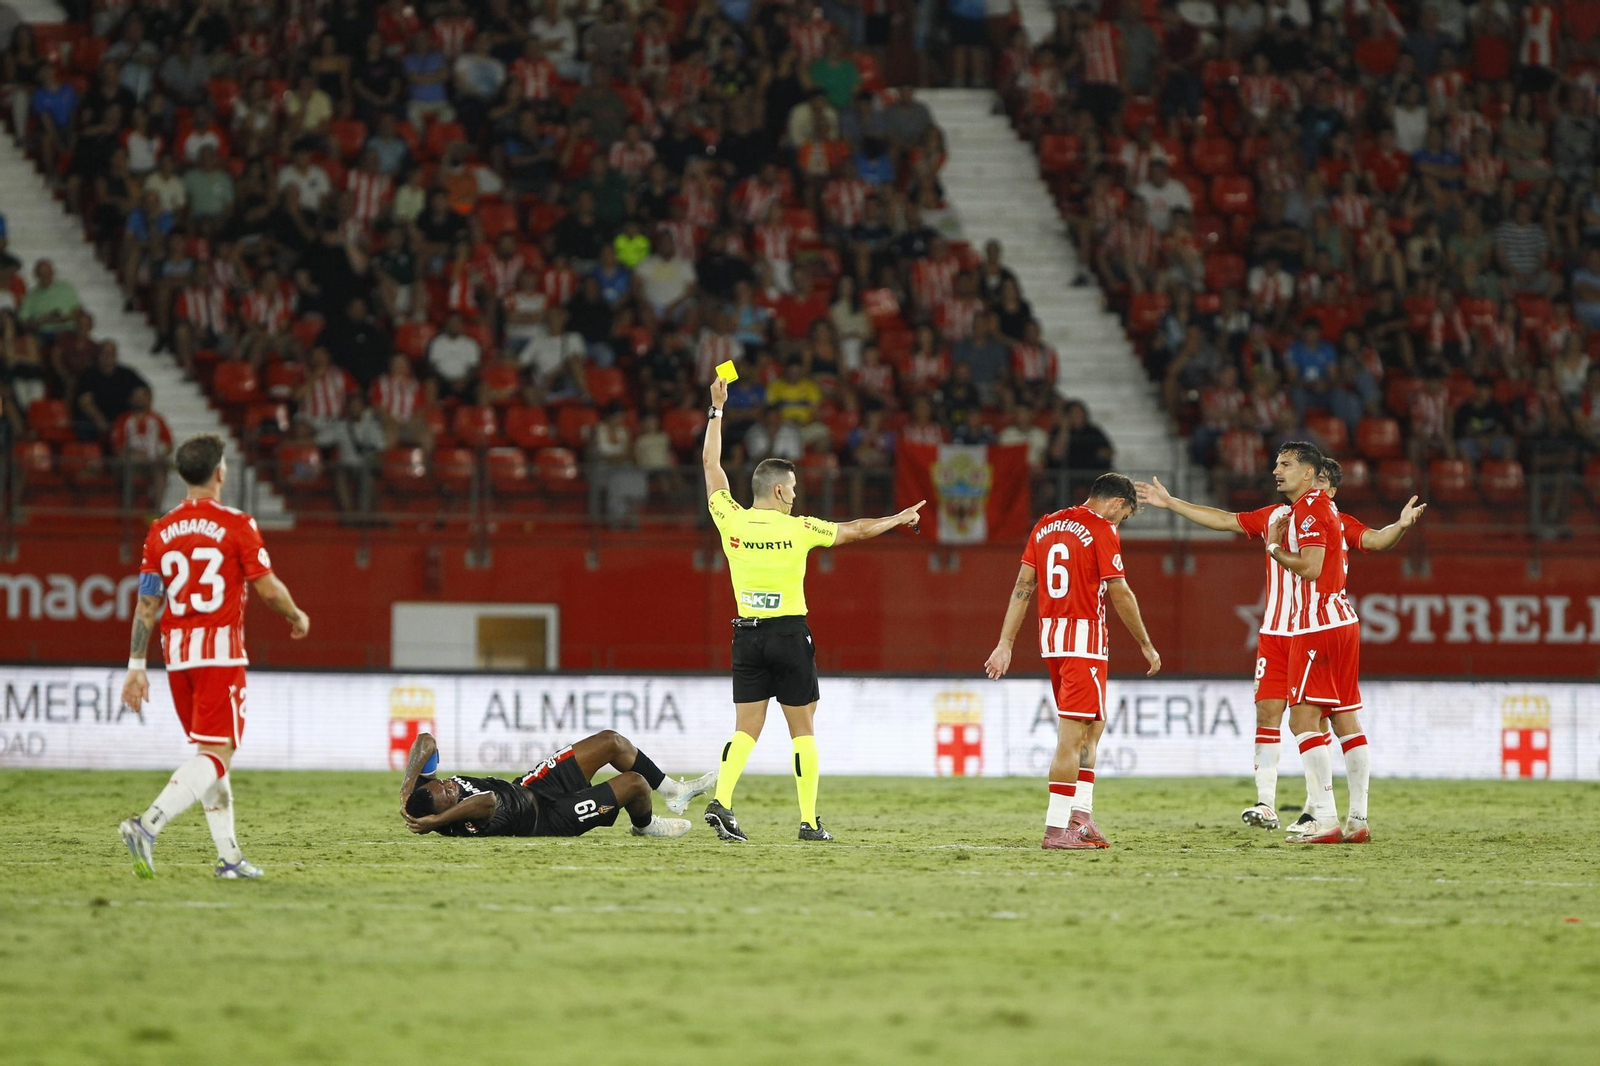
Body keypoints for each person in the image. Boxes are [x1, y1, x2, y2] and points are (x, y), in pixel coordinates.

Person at [1135, 458, 1425, 834]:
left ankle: (1317, 812)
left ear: (1328, 488)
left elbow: (1371, 540)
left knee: (1312, 720)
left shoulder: (1329, 518)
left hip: (1310, 629)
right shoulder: (1278, 514)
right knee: (1270, 714)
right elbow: (1225, 519)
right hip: (1277, 631)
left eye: (1322, 481)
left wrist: (1397, 527)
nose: (1315, 485)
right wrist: (1173, 503)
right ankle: (1267, 804)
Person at [700, 376, 925, 842]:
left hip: (746, 634)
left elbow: (711, 463)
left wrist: (717, 409)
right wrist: (897, 519)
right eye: (795, 488)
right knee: (802, 727)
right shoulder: (800, 528)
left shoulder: (730, 519)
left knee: (746, 728)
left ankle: (722, 800)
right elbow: (857, 529)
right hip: (787, 634)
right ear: (780, 492)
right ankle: (807, 821)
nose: (797, 494)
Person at [118, 435, 312, 880]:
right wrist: (297, 614)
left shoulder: (160, 530)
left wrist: (136, 667)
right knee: (218, 754)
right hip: (219, 655)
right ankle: (146, 826)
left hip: (178, 658)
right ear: (220, 472)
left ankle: (228, 857)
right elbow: (267, 587)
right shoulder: (237, 524)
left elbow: (148, 603)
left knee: (210, 753)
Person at [983, 473, 1161, 851]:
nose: (1119, 524)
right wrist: (1145, 642)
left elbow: (1023, 587)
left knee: (1093, 726)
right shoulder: (1101, 528)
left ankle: (1081, 816)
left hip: (1053, 640)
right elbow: (1121, 591)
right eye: (1123, 516)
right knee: (1072, 738)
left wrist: (1006, 642)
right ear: (1116, 503)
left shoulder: (1045, 525)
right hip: (1085, 643)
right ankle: (1056, 830)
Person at [398, 730, 714, 840]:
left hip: (533, 785)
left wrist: (406, 787)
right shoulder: (459, 823)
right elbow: (489, 801)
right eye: (448, 795)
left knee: (611, 742)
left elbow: (425, 742)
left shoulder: (429, 794)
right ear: (446, 813)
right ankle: (644, 826)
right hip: (551, 818)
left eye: (445, 785)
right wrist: (435, 822)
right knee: (635, 784)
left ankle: (673, 791)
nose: (450, 786)